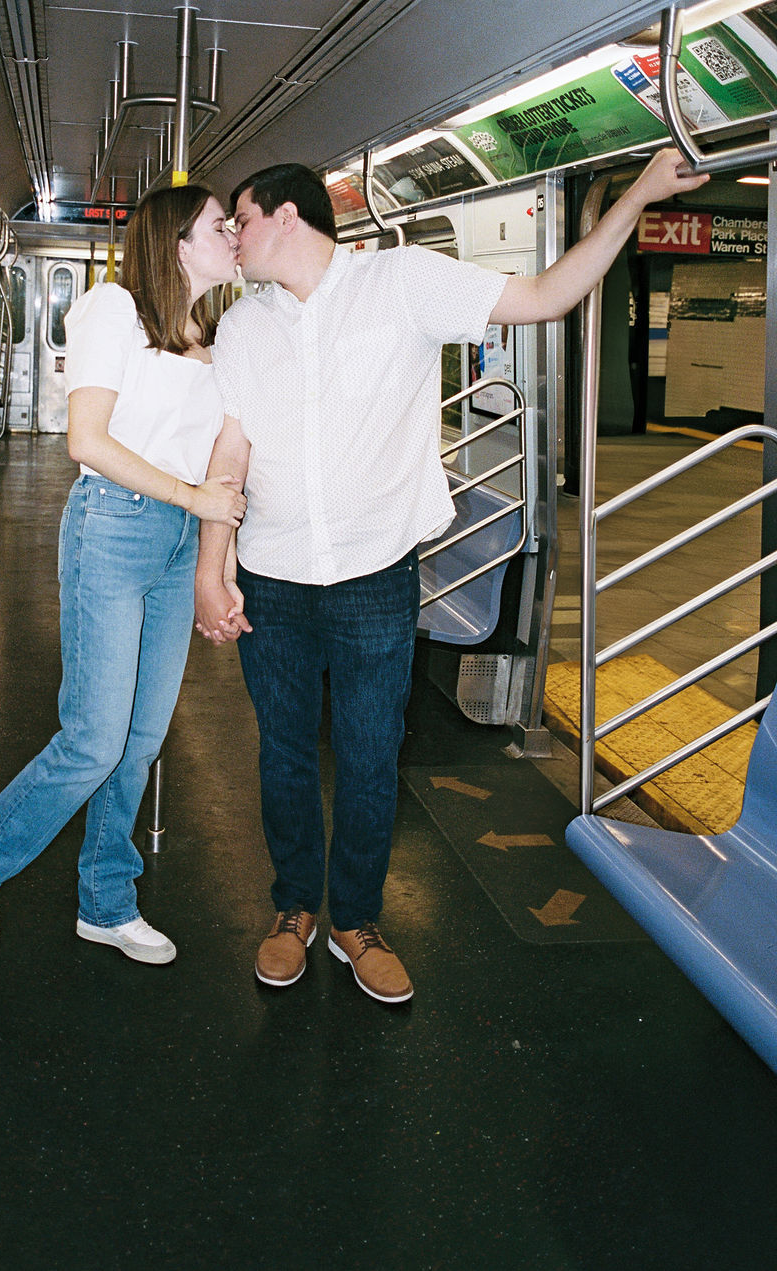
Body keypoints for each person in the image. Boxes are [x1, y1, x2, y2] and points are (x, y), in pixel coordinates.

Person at [194, 149, 708, 1004]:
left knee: (366, 755)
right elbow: (230, 451)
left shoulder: (401, 283)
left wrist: (642, 198)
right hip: (274, 578)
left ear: (287, 217)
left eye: (240, 220)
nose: (232, 238)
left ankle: (356, 919)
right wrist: (212, 570)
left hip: (373, 577)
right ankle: (293, 911)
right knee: (284, 753)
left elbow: (546, 297)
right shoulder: (246, 326)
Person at [0, 184, 244, 962]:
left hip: (177, 541)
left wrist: (218, 553)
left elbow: (223, 460)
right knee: (95, 737)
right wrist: (192, 496)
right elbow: (87, 441)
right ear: (178, 242)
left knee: (140, 739)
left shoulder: (215, 332)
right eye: (220, 224)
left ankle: (106, 900)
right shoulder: (113, 310)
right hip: (113, 525)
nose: (234, 233)